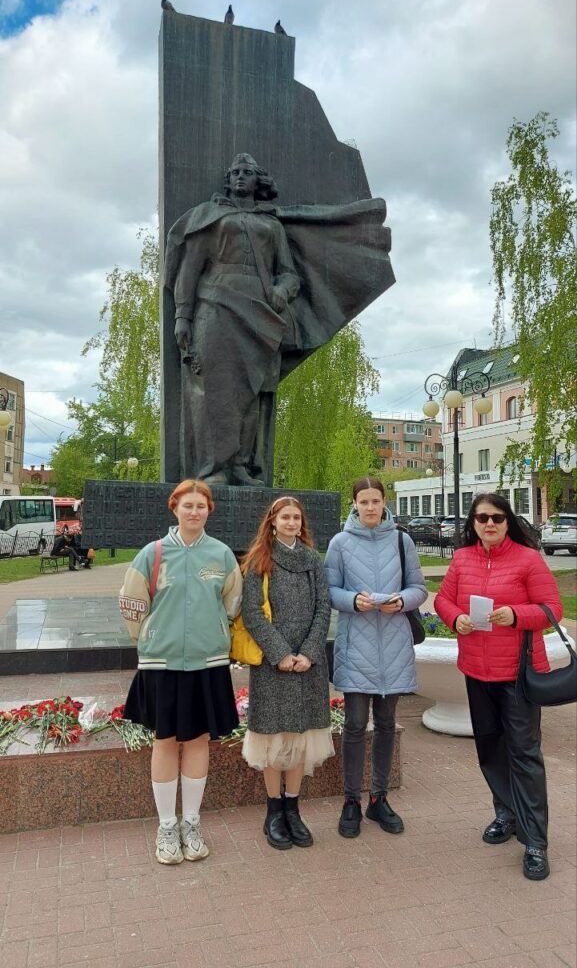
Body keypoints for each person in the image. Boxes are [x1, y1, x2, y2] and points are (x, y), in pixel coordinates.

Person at [163, 157, 395, 486]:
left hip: (261, 315)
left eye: (247, 173)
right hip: (215, 307)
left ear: (258, 181)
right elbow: (189, 269)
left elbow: (289, 273)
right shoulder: (210, 216)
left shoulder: (271, 225)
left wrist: (282, 290)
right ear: (228, 180)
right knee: (216, 391)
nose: (241, 177)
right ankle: (213, 469)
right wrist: (182, 316)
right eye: (235, 173)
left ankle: (240, 466)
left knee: (253, 392)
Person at [434, 492, 563, 882]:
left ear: (508, 521)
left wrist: (515, 615)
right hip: (477, 672)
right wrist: (455, 619)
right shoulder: (462, 559)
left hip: (518, 675)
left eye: (497, 517)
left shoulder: (528, 559)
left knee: (524, 754)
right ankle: (506, 814)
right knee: (490, 750)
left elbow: (552, 609)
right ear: (472, 523)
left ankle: (535, 842)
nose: (489, 524)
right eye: (482, 518)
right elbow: (443, 600)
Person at [119, 479, 242, 866]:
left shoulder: (221, 555)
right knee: (166, 741)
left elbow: (233, 603)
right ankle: (167, 827)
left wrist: (214, 632)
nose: (194, 511)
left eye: (201, 506)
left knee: (199, 741)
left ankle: (191, 823)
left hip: (207, 663)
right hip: (163, 663)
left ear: (209, 511)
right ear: (174, 508)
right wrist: (151, 638)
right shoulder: (152, 554)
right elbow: (132, 603)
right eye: (187, 505)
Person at [324, 476, 427, 839]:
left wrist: (402, 600)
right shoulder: (340, 543)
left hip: (394, 645)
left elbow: (419, 588)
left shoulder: (402, 540)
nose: (370, 507)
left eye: (375, 500)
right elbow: (329, 590)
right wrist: (353, 600)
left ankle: (378, 798)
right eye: (363, 501)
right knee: (354, 725)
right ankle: (351, 800)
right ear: (354, 503)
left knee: (386, 724)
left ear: (385, 502)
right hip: (356, 644)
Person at [241, 496, 333, 849]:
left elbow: (323, 607)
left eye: (296, 517)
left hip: (308, 665)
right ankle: (273, 813)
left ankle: (293, 810)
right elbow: (252, 612)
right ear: (273, 521)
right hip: (272, 665)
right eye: (285, 517)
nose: (292, 523)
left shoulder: (312, 559)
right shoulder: (259, 560)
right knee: (273, 740)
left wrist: (308, 652)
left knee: (300, 739)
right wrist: (279, 653)